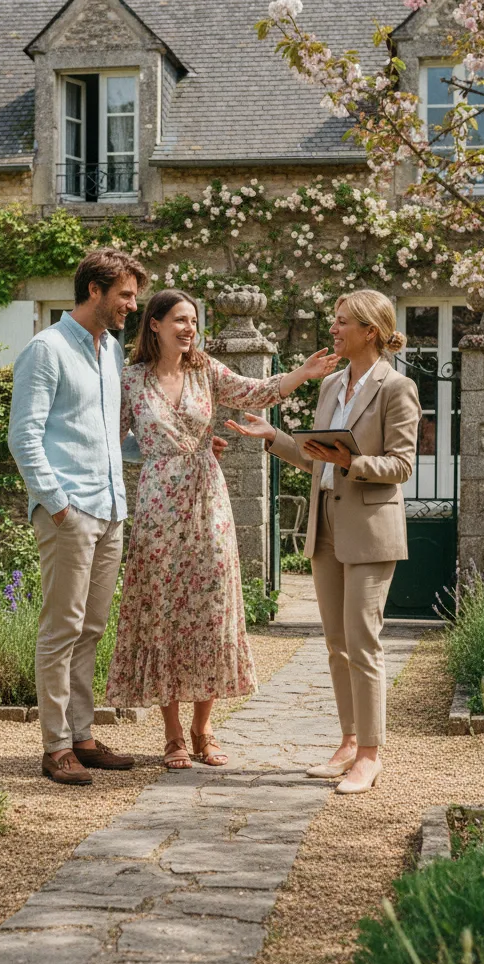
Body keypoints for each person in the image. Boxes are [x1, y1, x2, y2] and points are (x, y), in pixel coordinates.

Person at [7, 252, 228, 786]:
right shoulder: (47, 349)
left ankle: (82, 736)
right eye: (126, 295)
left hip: (111, 510)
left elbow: (114, 439)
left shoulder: (109, 352)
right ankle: (56, 747)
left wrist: (180, 444)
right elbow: (24, 436)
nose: (133, 304)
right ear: (94, 291)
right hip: (70, 510)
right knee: (61, 629)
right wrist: (56, 503)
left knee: (90, 629)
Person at [105, 288, 339, 770]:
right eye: (180, 320)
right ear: (154, 324)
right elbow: (113, 440)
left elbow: (255, 392)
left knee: (211, 607)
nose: (189, 329)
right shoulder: (130, 380)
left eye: (194, 321)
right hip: (158, 505)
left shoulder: (206, 371)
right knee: (163, 611)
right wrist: (156, 451)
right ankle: (172, 735)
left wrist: (303, 373)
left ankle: (203, 729)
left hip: (208, 498)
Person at [227, 289, 420, 794]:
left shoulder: (397, 388)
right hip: (326, 524)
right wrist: (274, 439)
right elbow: (317, 457)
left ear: (370, 331)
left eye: (342, 322)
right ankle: (349, 742)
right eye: (334, 321)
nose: (333, 329)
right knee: (336, 644)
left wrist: (351, 462)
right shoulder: (332, 384)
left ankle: (370, 756)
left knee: (362, 641)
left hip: (371, 529)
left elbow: (402, 465)